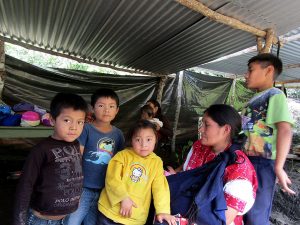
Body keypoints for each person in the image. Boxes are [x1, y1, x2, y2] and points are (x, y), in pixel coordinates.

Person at [167, 104, 258, 225]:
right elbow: (184, 171)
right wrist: (173, 176)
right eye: (202, 124)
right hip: (181, 209)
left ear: (226, 129)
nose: (201, 130)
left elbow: (222, 220)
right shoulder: (199, 147)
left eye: (207, 125)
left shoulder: (239, 169)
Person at [13, 92, 88, 225]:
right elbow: (25, 185)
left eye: (80, 122)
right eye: (67, 120)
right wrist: (19, 221)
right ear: (52, 120)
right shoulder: (41, 150)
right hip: (40, 220)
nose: (74, 127)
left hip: (65, 219)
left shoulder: (76, 145)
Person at [242, 53, 295, 225]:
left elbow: (285, 130)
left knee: (256, 211)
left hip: (263, 163)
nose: (246, 75)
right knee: (243, 204)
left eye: (250, 70)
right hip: (247, 160)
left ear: (269, 70)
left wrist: (279, 166)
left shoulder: (274, 95)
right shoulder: (253, 100)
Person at [97, 120, 176, 225]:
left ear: (156, 139)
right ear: (131, 140)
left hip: (135, 218)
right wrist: (123, 197)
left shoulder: (156, 162)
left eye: (148, 139)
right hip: (109, 213)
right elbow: (112, 178)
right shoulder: (122, 156)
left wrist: (163, 211)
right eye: (138, 140)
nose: (144, 145)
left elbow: (160, 188)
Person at [68, 88, 125, 225]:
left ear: (117, 110)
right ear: (92, 108)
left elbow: (120, 163)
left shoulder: (118, 135)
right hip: (83, 188)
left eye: (111, 106)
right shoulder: (86, 129)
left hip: (104, 191)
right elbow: (77, 157)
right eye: (101, 106)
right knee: (72, 221)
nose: (106, 110)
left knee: (92, 222)